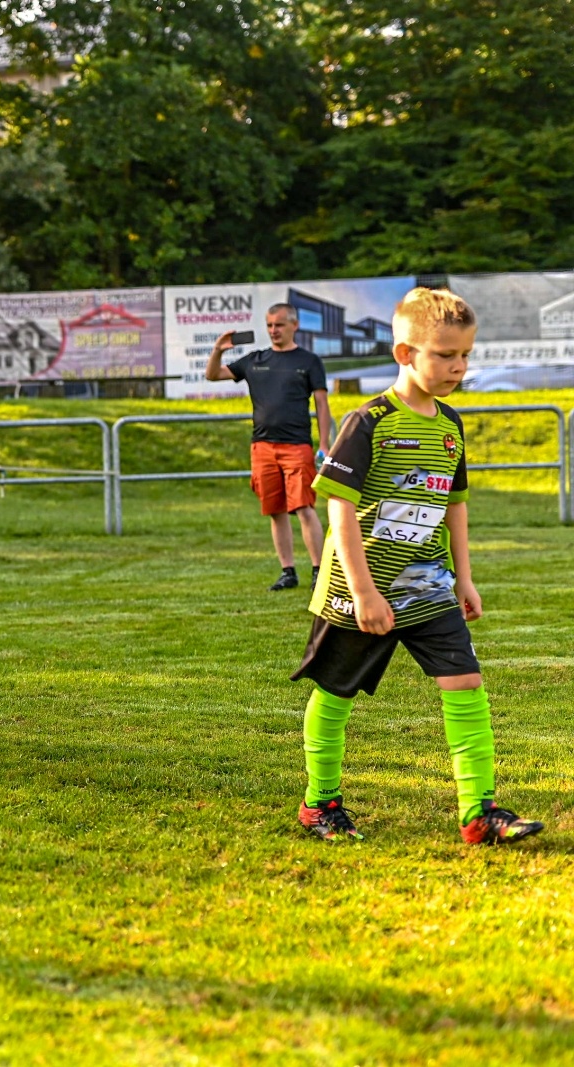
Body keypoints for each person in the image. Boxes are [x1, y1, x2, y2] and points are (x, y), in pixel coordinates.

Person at [291, 288, 542, 845]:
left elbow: (453, 505)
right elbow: (339, 509)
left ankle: (478, 813)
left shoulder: (450, 425)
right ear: (406, 354)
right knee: (336, 692)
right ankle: (319, 804)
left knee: (465, 681)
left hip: (428, 584)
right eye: (445, 355)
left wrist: (465, 577)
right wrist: (363, 592)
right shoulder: (369, 421)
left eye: (465, 355)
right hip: (360, 587)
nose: (458, 367)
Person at [206, 304, 333, 591]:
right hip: (262, 447)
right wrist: (218, 349)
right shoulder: (255, 360)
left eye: (280, 325)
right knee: (274, 510)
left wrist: (324, 443)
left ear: (294, 325)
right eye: (270, 325)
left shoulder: (309, 361)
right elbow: (213, 375)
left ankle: (318, 570)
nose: (274, 330)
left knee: (304, 507)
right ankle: (288, 572)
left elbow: (322, 404)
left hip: (297, 445)